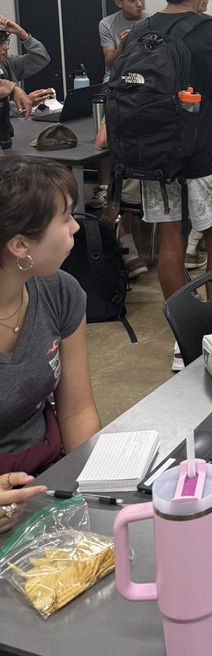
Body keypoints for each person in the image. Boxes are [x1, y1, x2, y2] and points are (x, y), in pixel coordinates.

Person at [137, 0, 212, 367]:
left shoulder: (141, 31)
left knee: (171, 242)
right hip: (204, 155)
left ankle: (185, 340)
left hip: (156, 157)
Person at [0, 156, 101, 535]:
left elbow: (77, 409)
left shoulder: (60, 292)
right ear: (20, 245)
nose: (76, 226)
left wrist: (90, 488)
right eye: (66, 217)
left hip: (45, 473)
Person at [93, 0, 147, 278]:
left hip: (142, 89)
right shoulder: (108, 24)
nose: (139, 4)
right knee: (107, 143)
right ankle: (105, 188)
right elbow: (110, 63)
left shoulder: (151, 22)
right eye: (132, 0)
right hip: (117, 87)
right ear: (118, 3)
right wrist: (124, 45)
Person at [0, 14, 51, 104]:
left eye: (5, 41)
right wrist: (23, 103)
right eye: (0, 43)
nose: (6, 47)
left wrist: (20, 32)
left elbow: (41, 58)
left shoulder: (8, 63)